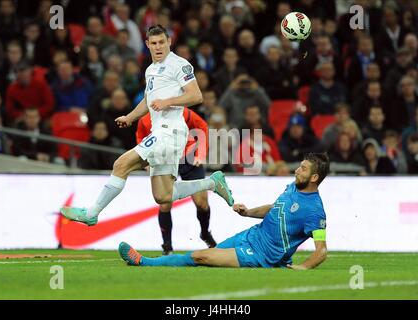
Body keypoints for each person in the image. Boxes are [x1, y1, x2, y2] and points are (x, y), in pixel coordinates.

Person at [60, 25, 234, 226]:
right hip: (161, 133)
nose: (158, 47)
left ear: (169, 42)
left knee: (121, 164)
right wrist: (131, 117)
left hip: (169, 132)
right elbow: (148, 99)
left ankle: (92, 212)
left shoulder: (179, 64)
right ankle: (213, 183)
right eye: (154, 43)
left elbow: (196, 95)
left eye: (162, 42)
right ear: (147, 45)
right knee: (163, 196)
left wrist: (167, 102)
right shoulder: (150, 69)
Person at [118, 153, 329, 270]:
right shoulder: (293, 187)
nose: (296, 170)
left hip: (261, 255)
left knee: (202, 257)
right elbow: (276, 210)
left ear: (313, 178)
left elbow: (321, 250)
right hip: (252, 235)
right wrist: (247, 213)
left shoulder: (314, 211)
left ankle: (144, 262)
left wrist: (303, 267)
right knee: (211, 259)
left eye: (302, 169)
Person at [136, 107, 216, 255]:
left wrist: (201, 153)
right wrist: (146, 159)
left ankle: (205, 233)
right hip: (164, 160)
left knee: (202, 203)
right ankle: (167, 246)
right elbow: (141, 137)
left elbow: (202, 127)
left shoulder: (185, 113)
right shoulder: (146, 120)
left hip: (189, 159)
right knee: (165, 203)